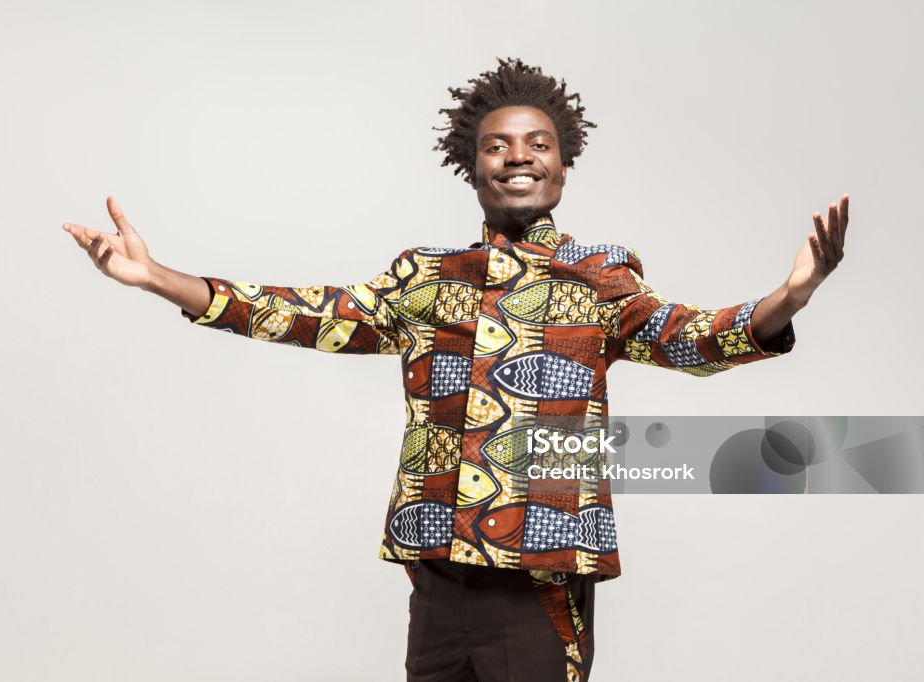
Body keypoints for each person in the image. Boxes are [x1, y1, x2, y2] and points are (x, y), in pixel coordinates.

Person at [63, 57, 848, 682]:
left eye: (538, 145)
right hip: (437, 577)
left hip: (537, 579)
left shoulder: (600, 276)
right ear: (472, 166)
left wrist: (788, 296)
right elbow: (310, 314)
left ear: (563, 167)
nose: (518, 157)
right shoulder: (425, 277)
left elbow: (690, 338)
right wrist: (158, 276)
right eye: (498, 145)